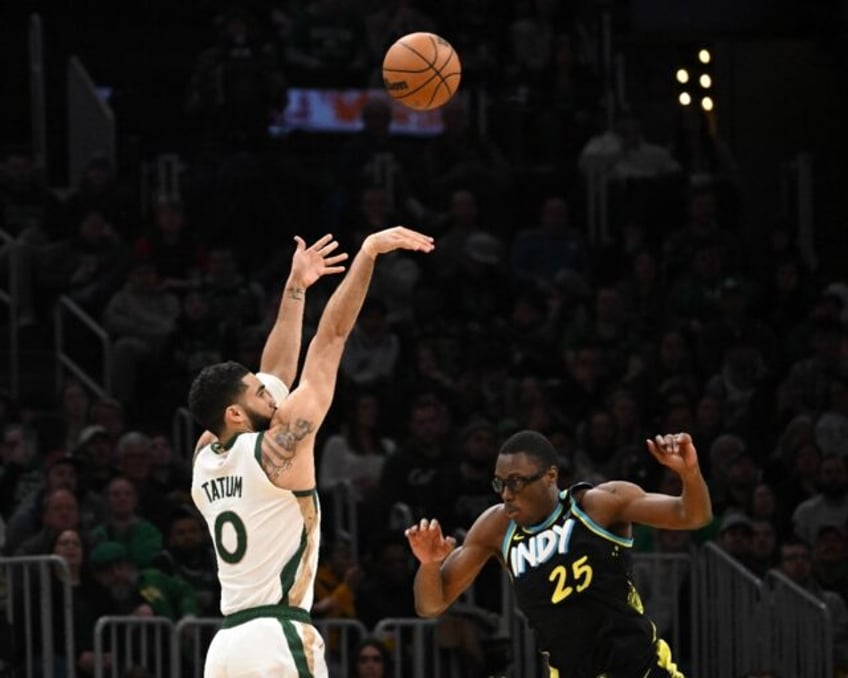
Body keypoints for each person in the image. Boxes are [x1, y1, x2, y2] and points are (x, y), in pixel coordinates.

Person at [188, 226, 434, 677]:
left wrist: (296, 286)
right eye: (258, 394)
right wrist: (368, 253)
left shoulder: (205, 457)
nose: (270, 394)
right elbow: (332, 338)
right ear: (236, 415)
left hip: (224, 648)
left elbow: (275, 370)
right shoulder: (281, 446)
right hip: (277, 638)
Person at [405, 430, 712, 677]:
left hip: (640, 668)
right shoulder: (495, 528)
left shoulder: (599, 504)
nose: (506, 494)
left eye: (516, 482)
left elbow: (692, 516)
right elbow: (430, 605)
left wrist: (690, 473)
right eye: (500, 483)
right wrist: (430, 565)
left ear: (551, 476)